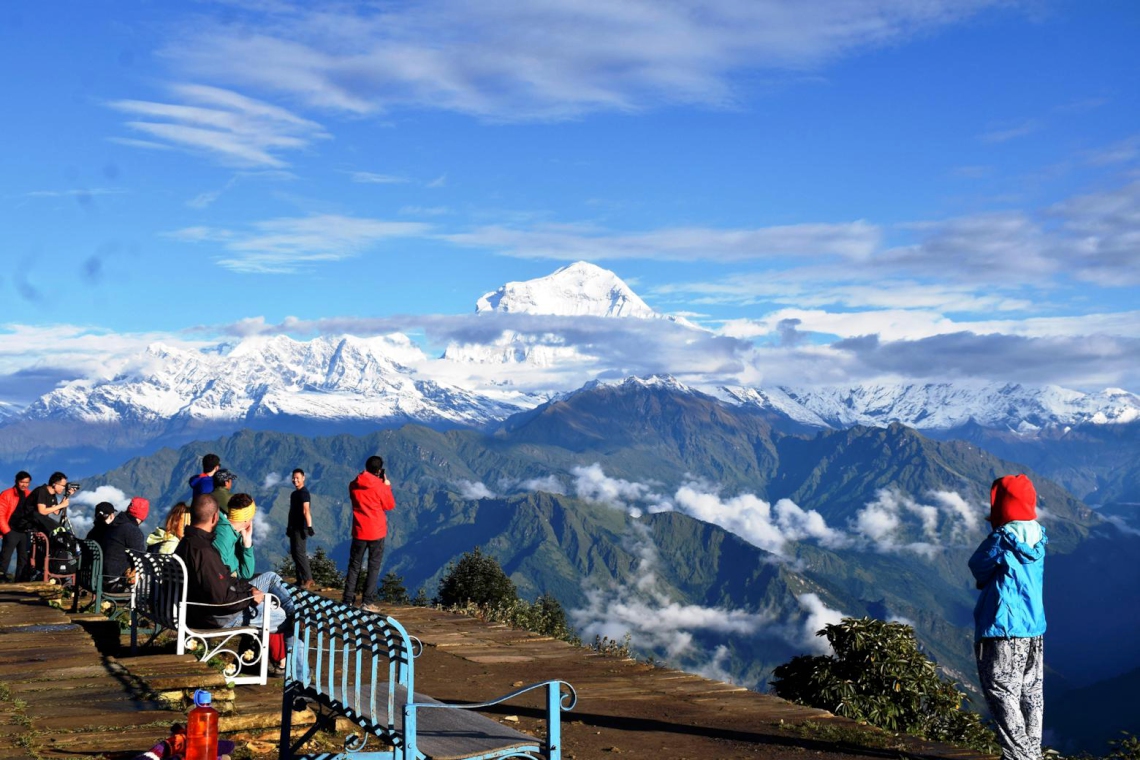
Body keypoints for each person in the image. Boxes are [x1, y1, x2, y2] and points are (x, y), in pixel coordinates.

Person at [969, 474, 1047, 760]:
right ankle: (1032, 752)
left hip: (1003, 627)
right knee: (1031, 692)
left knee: (1001, 691)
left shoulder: (1002, 539)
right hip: (1034, 627)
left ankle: (1020, 756)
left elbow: (978, 565)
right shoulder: (1039, 536)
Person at [176, 494, 295, 675]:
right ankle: (293, 669)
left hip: (198, 609)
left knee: (272, 584)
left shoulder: (187, 544)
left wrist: (248, 589)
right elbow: (221, 598)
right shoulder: (205, 552)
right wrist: (250, 597)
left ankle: (253, 657)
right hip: (214, 616)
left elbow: (226, 579)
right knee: (283, 615)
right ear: (215, 517)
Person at [212, 493, 296, 620]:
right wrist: (248, 593)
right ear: (247, 518)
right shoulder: (223, 536)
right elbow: (219, 582)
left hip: (234, 590)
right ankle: (293, 618)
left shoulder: (233, 533)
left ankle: (295, 613)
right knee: (281, 616)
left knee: (272, 577)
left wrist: (247, 543)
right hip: (226, 607)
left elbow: (246, 573)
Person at [343, 455, 395, 612]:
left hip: (359, 530)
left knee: (354, 565)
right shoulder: (380, 486)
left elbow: (355, 498)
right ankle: (367, 602)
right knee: (373, 566)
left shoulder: (353, 485)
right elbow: (389, 505)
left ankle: (347, 599)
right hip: (376, 532)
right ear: (379, 471)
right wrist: (386, 486)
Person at [99, 497, 149, 591]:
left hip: (102, 577)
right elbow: (141, 558)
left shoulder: (115, 524)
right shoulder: (132, 530)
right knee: (153, 583)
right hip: (115, 582)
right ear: (143, 516)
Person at [0, 471, 32, 581]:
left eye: (27, 482)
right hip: (11, 530)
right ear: (16, 481)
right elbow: (0, 514)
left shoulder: (29, 495)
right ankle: (1, 579)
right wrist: (6, 531)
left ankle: (20, 581)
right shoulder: (6, 494)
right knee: (5, 557)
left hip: (25, 531)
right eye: (22, 482)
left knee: (24, 558)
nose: (24, 485)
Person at [286, 468, 315, 589]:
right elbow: (291, 511)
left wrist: (309, 526)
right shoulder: (294, 494)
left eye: (297, 478)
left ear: (303, 478)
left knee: (300, 553)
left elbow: (306, 510)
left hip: (301, 528)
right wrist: (289, 526)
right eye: (293, 478)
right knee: (294, 553)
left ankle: (308, 579)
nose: (295, 480)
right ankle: (300, 579)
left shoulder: (304, 493)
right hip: (293, 527)